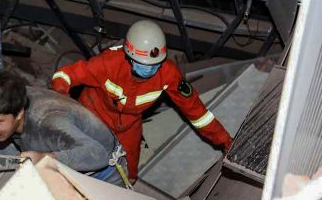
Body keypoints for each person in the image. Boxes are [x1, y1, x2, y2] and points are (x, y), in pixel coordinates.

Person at [50, 19, 232, 183]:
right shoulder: (108, 64)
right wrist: (64, 102)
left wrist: (224, 140)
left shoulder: (168, 74)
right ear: (128, 57)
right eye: (143, 64)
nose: (149, 69)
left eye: (155, 64)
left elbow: (197, 112)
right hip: (92, 117)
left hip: (129, 127)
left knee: (129, 173)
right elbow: (65, 75)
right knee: (80, 158)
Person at [0, 70, 131, 187]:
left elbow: (98, 154)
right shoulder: (12, 96)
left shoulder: (48, 122)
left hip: (104, 175)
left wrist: (44, 159)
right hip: (76, 165)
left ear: (19, 112)